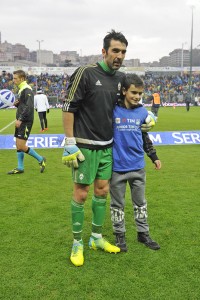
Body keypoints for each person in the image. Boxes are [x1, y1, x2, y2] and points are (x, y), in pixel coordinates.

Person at [62, 29, 131, 267]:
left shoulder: (121, 78)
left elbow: (124, 106)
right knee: (81, 194)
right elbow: (68, 107)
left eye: (123, 51)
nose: (119, 55)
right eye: (115, 50)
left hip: (107, 146)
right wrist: (70, 142)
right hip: (84, 146)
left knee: (102, 192)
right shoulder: (86, 73)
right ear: (104, 51)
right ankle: (77, 243)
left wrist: (144, 117)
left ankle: (95, 238)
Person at [110, 74, 161, 252]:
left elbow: (144, 137)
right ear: (124, 91)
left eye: (140, 93)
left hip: (138, 167)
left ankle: (143, 233)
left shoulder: (142, 112)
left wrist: (154, 156)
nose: (137, 96)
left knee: (140, 204)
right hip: (117, 168)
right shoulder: (113, 110)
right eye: (133, 92)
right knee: (117, 205)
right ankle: (120, 236)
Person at [8, 70, 46, 175]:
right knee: (18, 144)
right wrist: (18, 104)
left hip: (25, 121)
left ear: (22, 79)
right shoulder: (22, 90)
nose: (13, 80)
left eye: (15, 78)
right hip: (21, 120)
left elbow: (29, 107)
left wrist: (20, 119)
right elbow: (24, 105)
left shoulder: (27, 90)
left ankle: (40, 159)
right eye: (13, 78)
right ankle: (20, 167)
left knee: (21, 145)